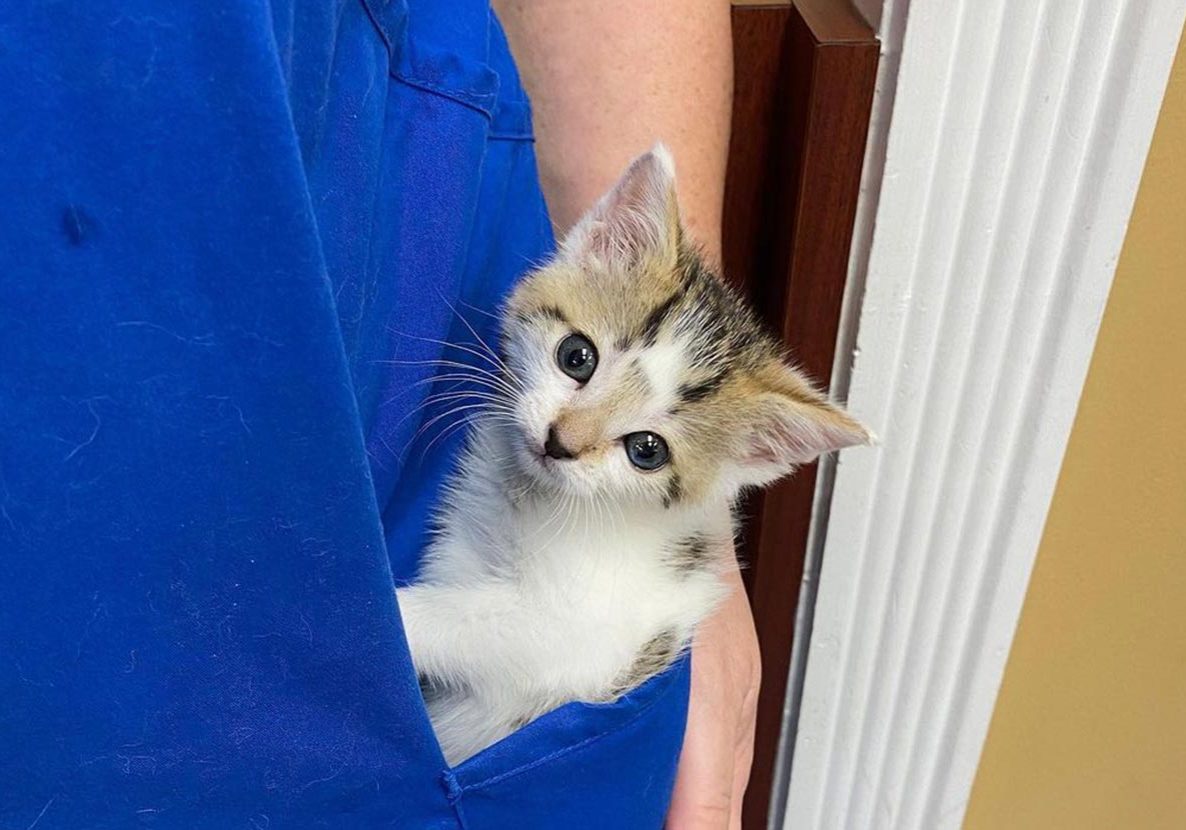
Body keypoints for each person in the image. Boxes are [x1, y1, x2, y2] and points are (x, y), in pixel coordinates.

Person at [0, 0, 757, 826]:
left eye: (640, 442)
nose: (566, 437)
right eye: (577, 363)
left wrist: (702, 554)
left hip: (347, 161)